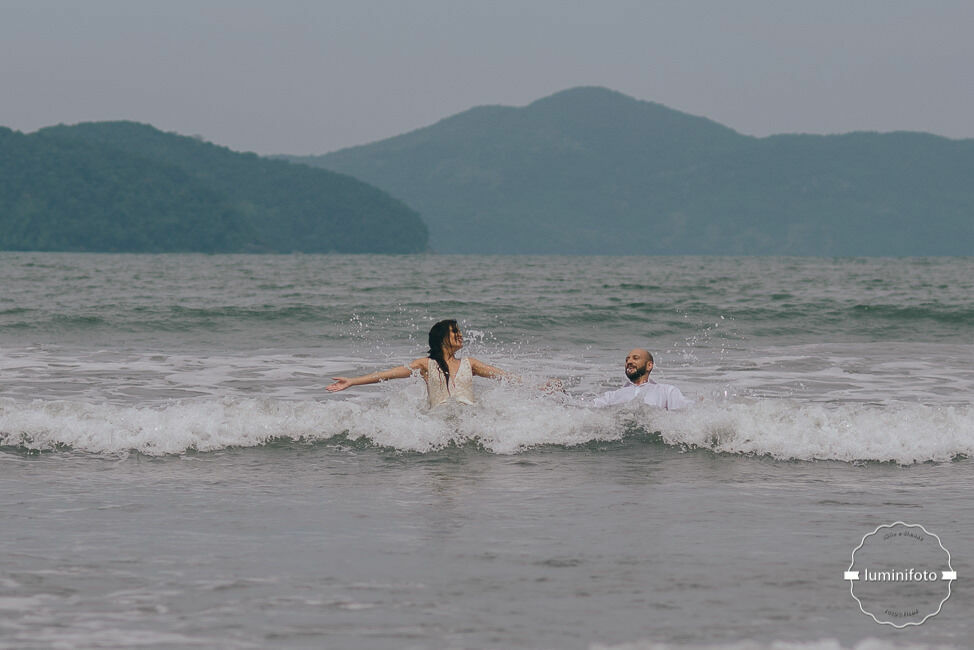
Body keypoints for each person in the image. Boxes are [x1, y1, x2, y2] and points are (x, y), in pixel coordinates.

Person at [326, 319, 509, 408]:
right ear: (441, 338)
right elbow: (388, 375)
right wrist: (352, 381)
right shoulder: (426, 364)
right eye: (455, 331)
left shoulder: (471, 363)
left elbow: (504, 377)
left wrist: (534, 386)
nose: (460, 335)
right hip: (438, 422)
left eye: (459, 331)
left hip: (469, 422)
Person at [592, 348, 690, 410]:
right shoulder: (613, 395)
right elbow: (590, 409)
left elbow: (684, 411)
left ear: (649, 365)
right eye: (627, 360)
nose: (629, 362)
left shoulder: (667, 391)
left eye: (635, 358)